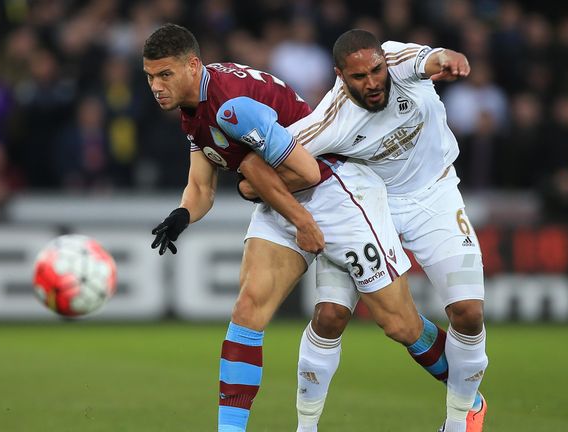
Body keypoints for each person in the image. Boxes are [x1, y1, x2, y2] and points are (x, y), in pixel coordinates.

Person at [143, 24, 437, 432]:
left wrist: (298, 219)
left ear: (193, 65)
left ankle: (469, 393)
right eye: (150, 76)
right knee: (248, 309)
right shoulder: (196, 107)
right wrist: (182, 215)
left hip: (336, 192)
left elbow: (307, 171)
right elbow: (201, 186)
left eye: (165, 75)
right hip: (282, 197)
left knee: (401, 325)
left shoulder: (230, 106)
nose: (156, 86)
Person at [240, 29, 488, 432]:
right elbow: (259, 166)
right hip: (368, 204)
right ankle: (306, 428)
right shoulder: (329, 121)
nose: (372, 82)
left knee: (469, 312)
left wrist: (447, 57)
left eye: (376, 71)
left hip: (435, 196)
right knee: (331, 316)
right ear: (340, 76)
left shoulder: (398, 62)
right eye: (359, 77)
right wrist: (248, 185)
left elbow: (430, 58)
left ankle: (459, 423)